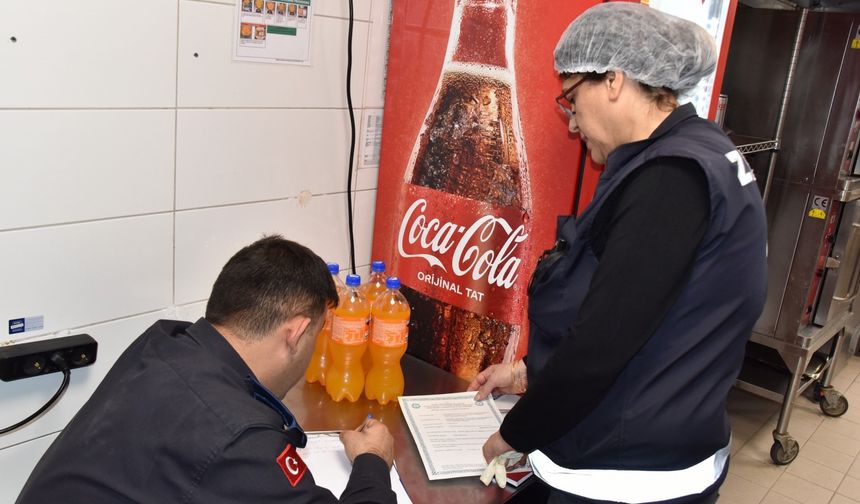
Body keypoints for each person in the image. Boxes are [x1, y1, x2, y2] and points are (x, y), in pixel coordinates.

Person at [468, 4, 767, 504]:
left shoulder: (670, 181)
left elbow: (602, 344)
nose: (571, 122)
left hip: (625, 478)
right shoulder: (704, 149)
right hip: (666, 444)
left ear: (612, 80)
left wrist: (515, 434)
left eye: (570, 98)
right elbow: (657, 313)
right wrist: (526, 372)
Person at [17, 236, 396, 504]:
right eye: (319, 332)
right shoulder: (237, 437)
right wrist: (372, 461)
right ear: (296, 333)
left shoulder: (163, 344)